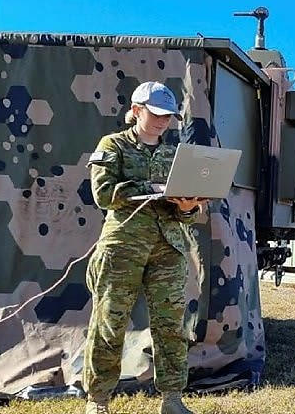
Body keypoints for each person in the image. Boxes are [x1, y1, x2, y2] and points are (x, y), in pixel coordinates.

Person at [83, 81, 201, 414]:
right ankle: (98, 400)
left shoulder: (176, 154)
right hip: (123, 246)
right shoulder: (113, 145)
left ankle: (172, 399)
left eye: (169, 116)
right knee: (110, 322)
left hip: (168, 247)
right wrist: (151, 188)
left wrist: (188, 205)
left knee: (172, 327)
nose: (164, 121)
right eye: (157, 114)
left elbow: (186, 215)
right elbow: (103, 194)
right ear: (136, 110)